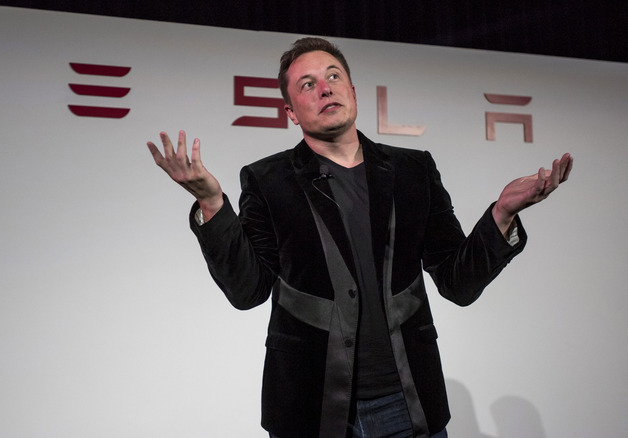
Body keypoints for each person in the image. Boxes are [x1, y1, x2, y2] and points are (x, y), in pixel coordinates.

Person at [146, 37, 572, 438]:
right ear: (291, 111)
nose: (324, 89)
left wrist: (502, 213)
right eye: (307, 84)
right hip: (309, 409)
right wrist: (211, 203)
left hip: (409, 404)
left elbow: (457, 282)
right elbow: (247, 289)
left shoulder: (413, 170)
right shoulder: (266, 179)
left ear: (353, 91)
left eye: (333, 77)